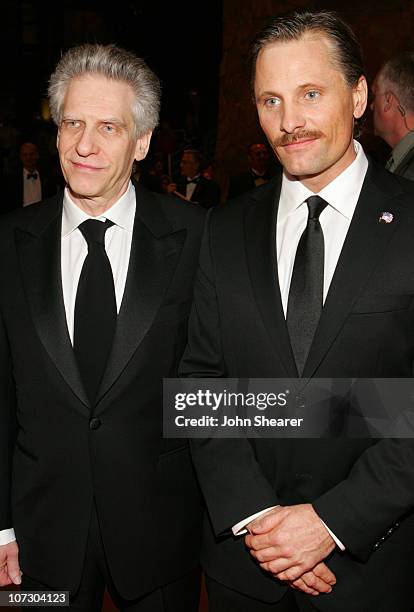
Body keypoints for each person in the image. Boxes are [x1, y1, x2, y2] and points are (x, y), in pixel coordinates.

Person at [180, 9, 414, 612]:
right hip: (244, 571)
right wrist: (259, 519)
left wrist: (332, 524)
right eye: (271, 100)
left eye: (311, 94)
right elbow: (200, 383)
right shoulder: (224, 229)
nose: (289, 122)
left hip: (373, 572)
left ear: (359, 95)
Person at [0, 43, 205, 611]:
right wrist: (0, 527)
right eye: (73, 123)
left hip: (161, 533)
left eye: (109, 127)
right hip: (35, 541)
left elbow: (214, 382)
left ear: (142, 142)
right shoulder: (8, 244)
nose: (84, 145)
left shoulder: (197, 239)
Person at [371, 52, 414, 179]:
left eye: (375, 95)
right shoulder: (402, 158)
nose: (371, 105)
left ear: (388, 100)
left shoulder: (410, 174)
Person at [3, 141, 58, 212]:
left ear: (37, 155)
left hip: (43, 217)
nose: (28, 157)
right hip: (20, 218)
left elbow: (52, 200)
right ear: (20, 157)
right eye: (25, 155)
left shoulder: (47, 176)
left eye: (31, 154)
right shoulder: (11, 179)